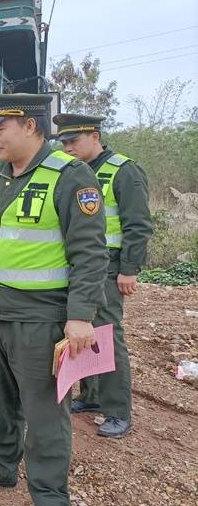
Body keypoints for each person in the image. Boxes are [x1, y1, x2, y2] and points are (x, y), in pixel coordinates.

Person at [0, 94, 108, 506]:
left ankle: (49, 496)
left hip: (41, 316)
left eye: (1, 128)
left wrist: (80, 315)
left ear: (31, 127)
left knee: (44, 410)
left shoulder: (70, 176)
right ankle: (0, 466)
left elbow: (90, 253)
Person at [54, 113, 152, 438]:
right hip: (79, 266)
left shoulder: (124, 171)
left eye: (73, 141)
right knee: (83, 332)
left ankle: (118, 411)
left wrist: (129, 269)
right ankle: (92, 396)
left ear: (94, 136)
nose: (67, 147)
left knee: (108, 334)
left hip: (110, 268)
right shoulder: (74, 174)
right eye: (63, 142)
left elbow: (138, 224)